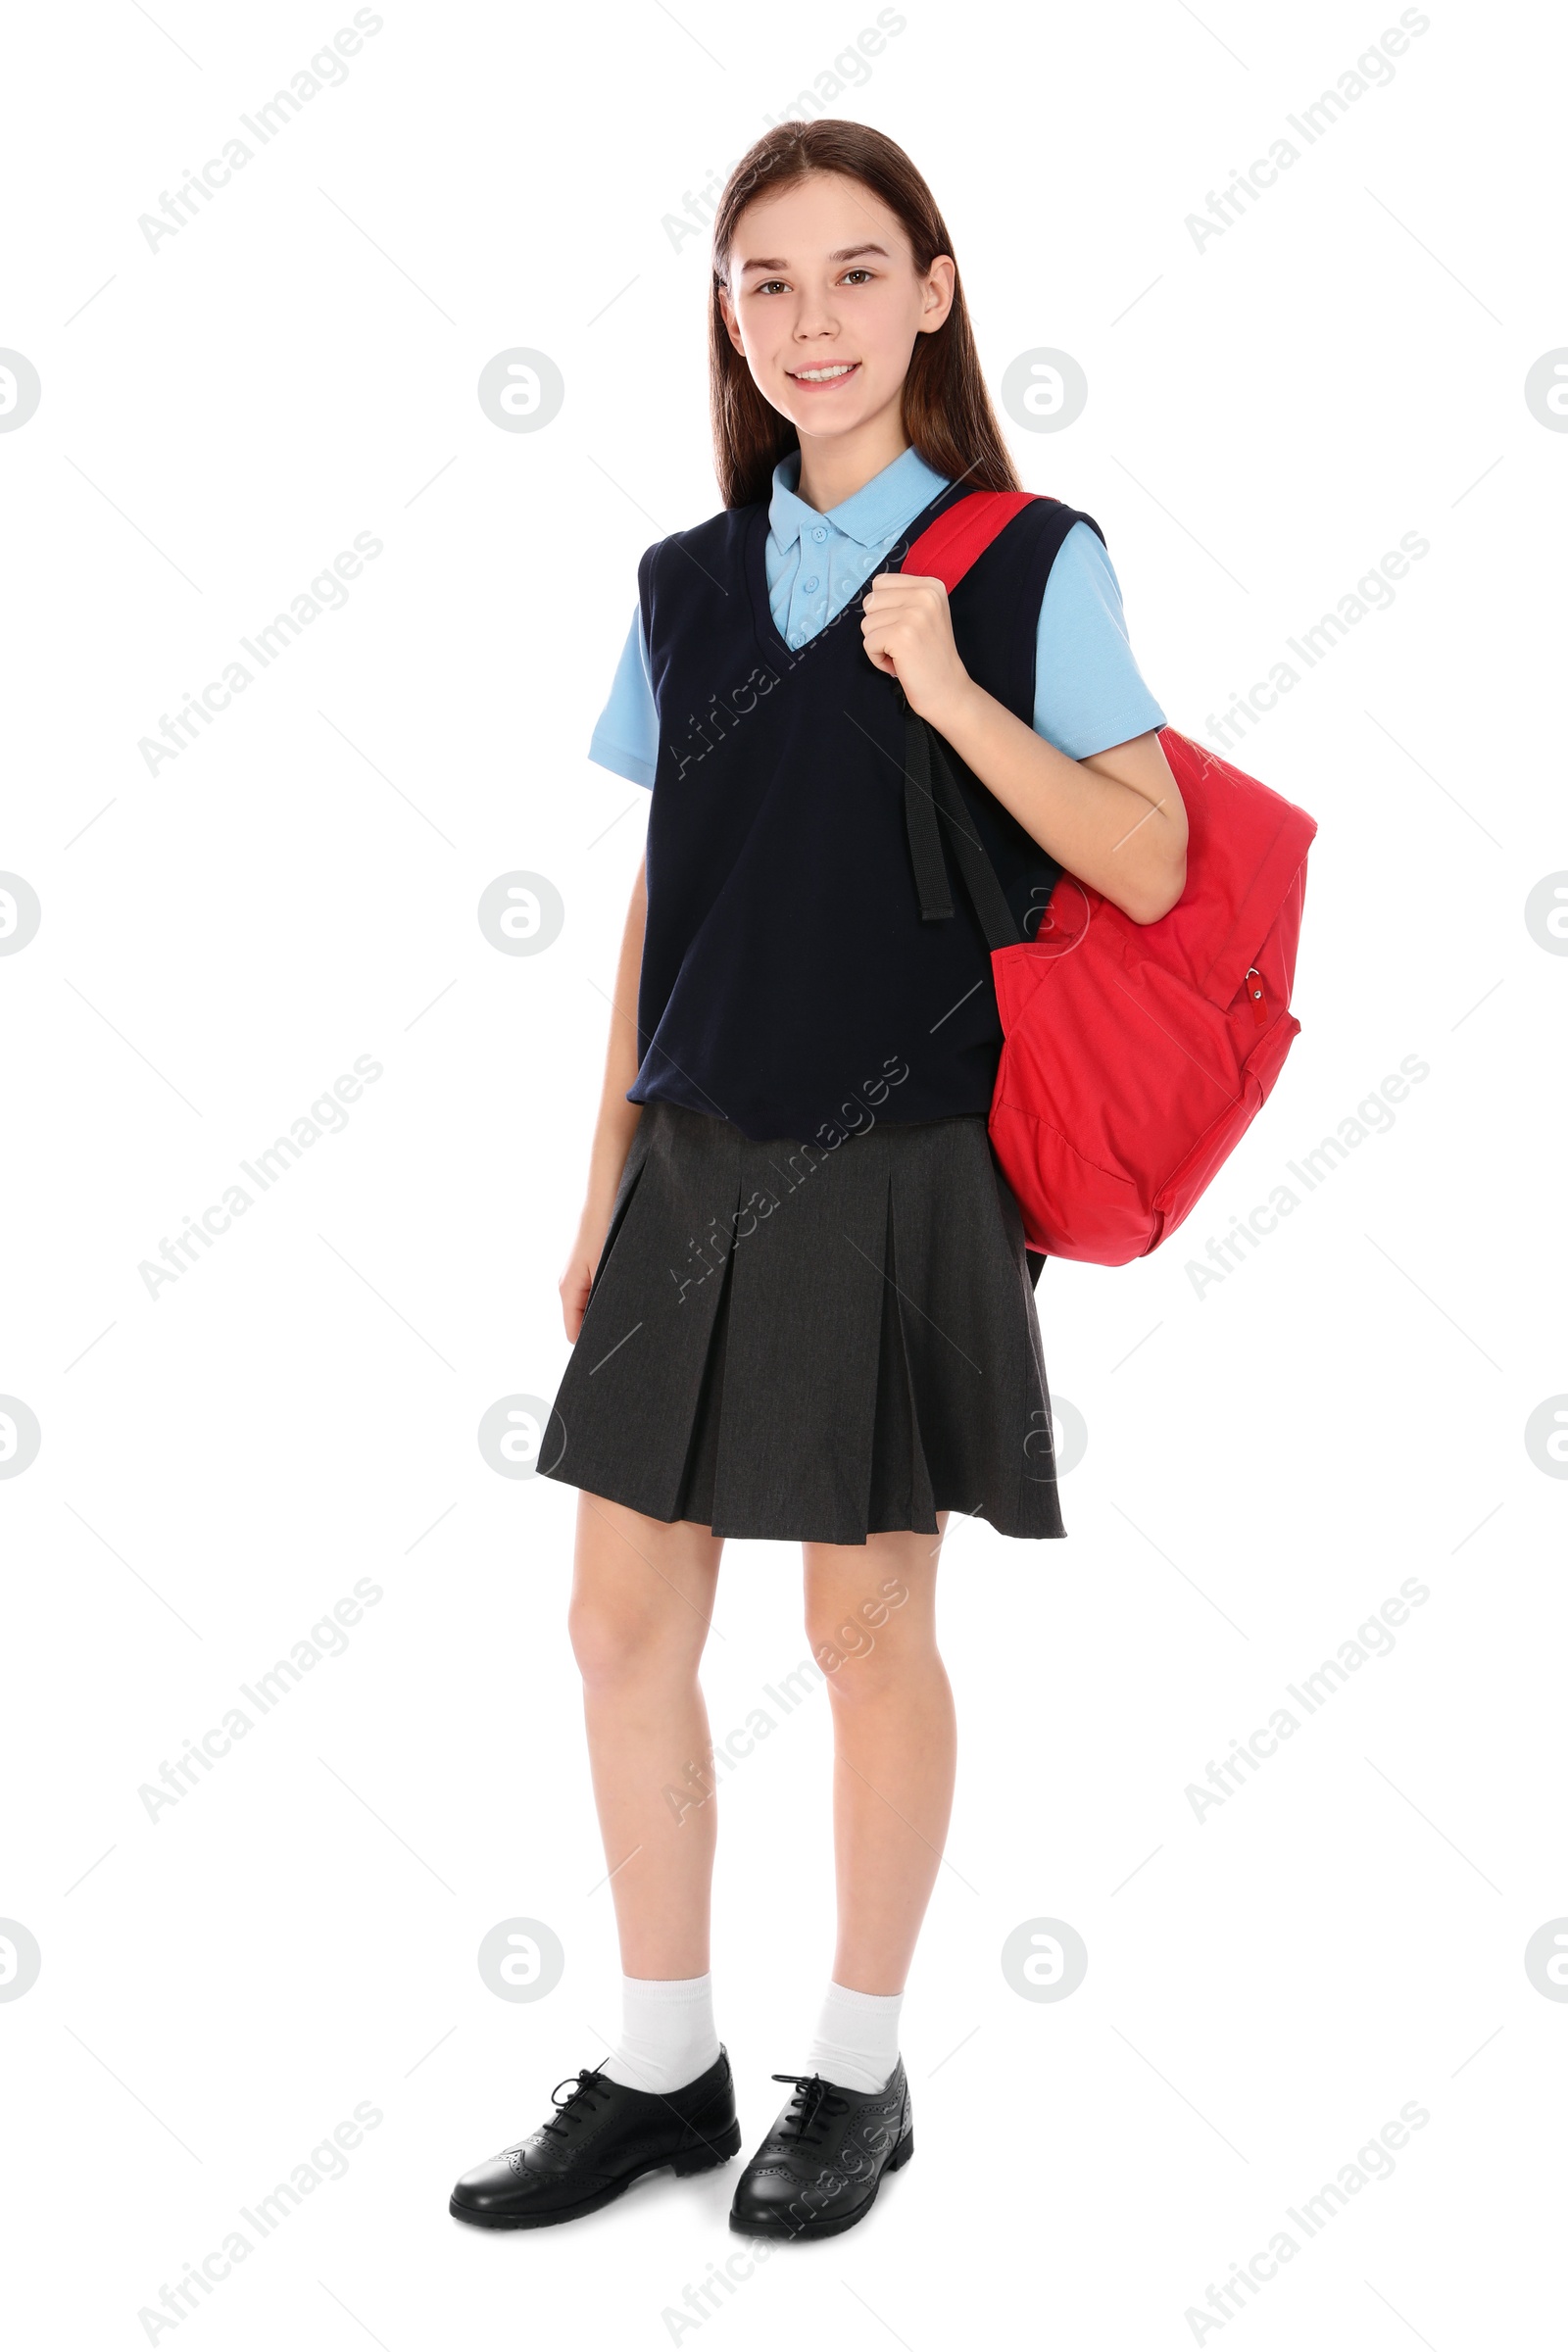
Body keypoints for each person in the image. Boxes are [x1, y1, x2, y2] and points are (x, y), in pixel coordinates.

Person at [450, 117, 1186, 2240]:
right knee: (613, 1629)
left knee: (862, 1629)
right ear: (723, 317)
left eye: (854, 273)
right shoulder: (681, 583)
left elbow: (1138, 855)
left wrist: (947, 687)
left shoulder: (1031, 561)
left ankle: (852, 2077)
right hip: (690, 1159)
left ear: (932, 294)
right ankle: (664, 2063)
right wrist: (600, 1179)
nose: (808, 320)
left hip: (899, 1167)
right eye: (762, 281)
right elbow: (669, 889)